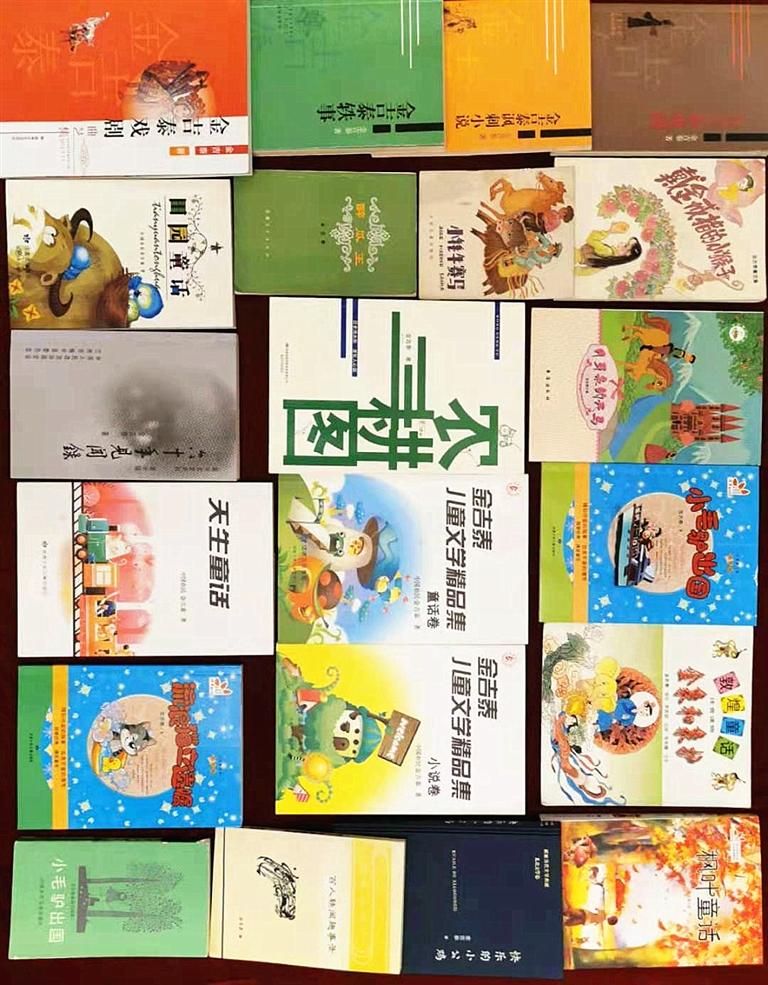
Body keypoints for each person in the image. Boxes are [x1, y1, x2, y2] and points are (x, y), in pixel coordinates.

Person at [576, 221, 642, 272]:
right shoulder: (609, 261)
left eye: (626, 245)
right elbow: (586, 271)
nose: (623, 243)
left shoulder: (608, 251)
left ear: (627, 254)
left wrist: (610, 231)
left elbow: (591, 239)